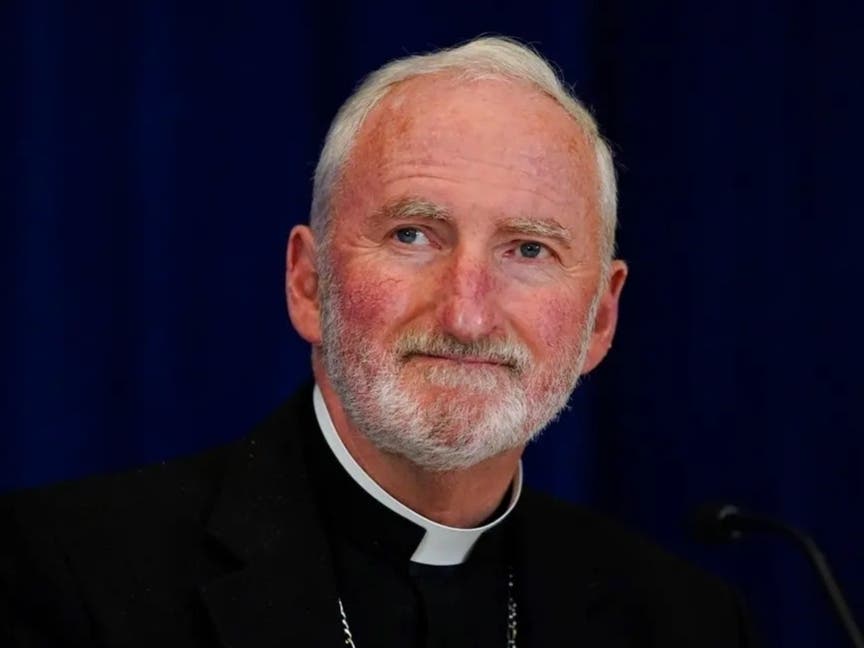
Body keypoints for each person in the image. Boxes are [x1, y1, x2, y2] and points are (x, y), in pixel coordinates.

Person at [0, 36, 755, 647]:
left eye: (528, 249)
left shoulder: (685, 622)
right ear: (309, 284)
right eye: (413, 234)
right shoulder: (68, 579)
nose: (466, 314)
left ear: (599, 320)